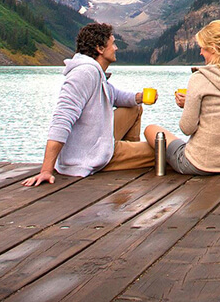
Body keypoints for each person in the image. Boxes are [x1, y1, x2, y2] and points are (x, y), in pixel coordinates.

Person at [23, 23, 154, 186]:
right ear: (100, 48)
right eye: (112, 43)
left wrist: (140, 97)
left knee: (134, 107)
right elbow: (62, 119)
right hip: (88, 157)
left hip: (97, 144)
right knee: (162, 152)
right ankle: (126, 158)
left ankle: (128, 155)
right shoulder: (84, 73)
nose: (116, 48)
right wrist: (46, 170)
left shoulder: (95, 72)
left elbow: (114, 95)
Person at [143, 20, 220, 175]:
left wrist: (189, 105)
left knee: (151, 129)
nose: (200, 52)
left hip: (199, 164)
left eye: (202, 48)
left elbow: (187, 128)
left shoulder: (199, 78)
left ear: (213, 48)